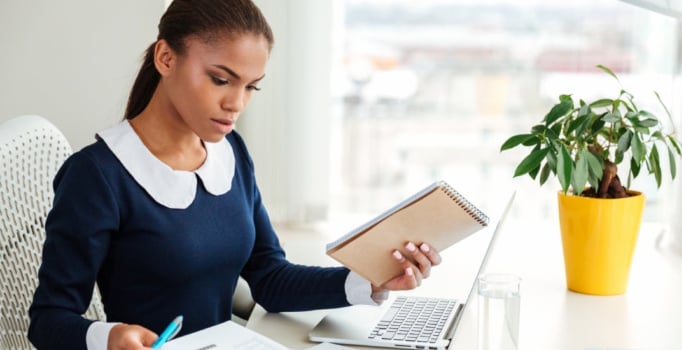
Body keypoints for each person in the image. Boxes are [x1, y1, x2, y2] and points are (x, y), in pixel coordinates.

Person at [27, 1, 442, 349]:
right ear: (166, 58)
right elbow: (48, 320)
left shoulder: (231, 153)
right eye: (221, 80)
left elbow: (269, 278)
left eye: (251, 87)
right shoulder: (97, 175)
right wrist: (109, 336)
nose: (236, 103)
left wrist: (365, 279)